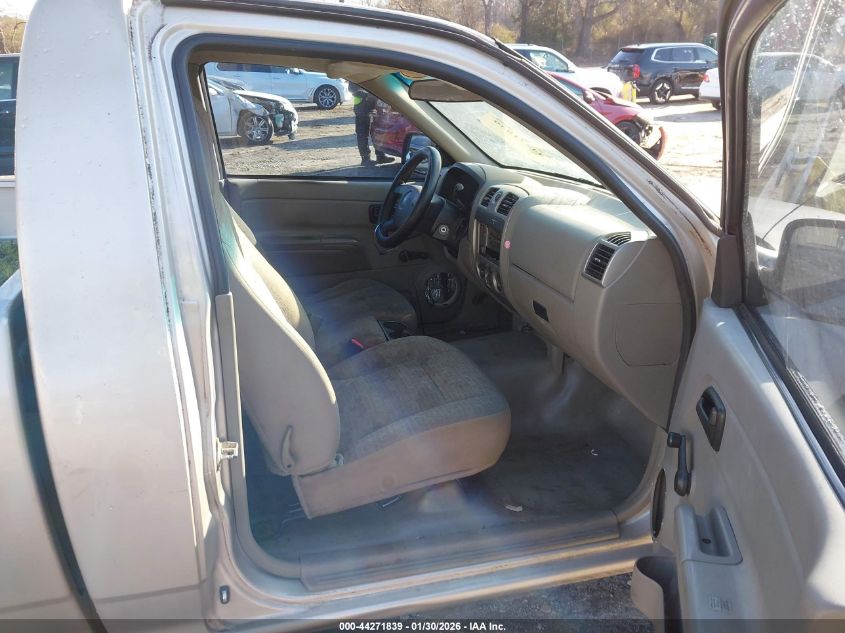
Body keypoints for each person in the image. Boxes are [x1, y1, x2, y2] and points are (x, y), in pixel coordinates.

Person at [351, 85, 392, 166]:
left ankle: (380, 156)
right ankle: (365, 158)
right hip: (362, 109)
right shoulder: (355, 73)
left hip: (374, 107)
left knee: (377, 132)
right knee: (362, 134)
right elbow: (353, 89)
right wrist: (368, 95)